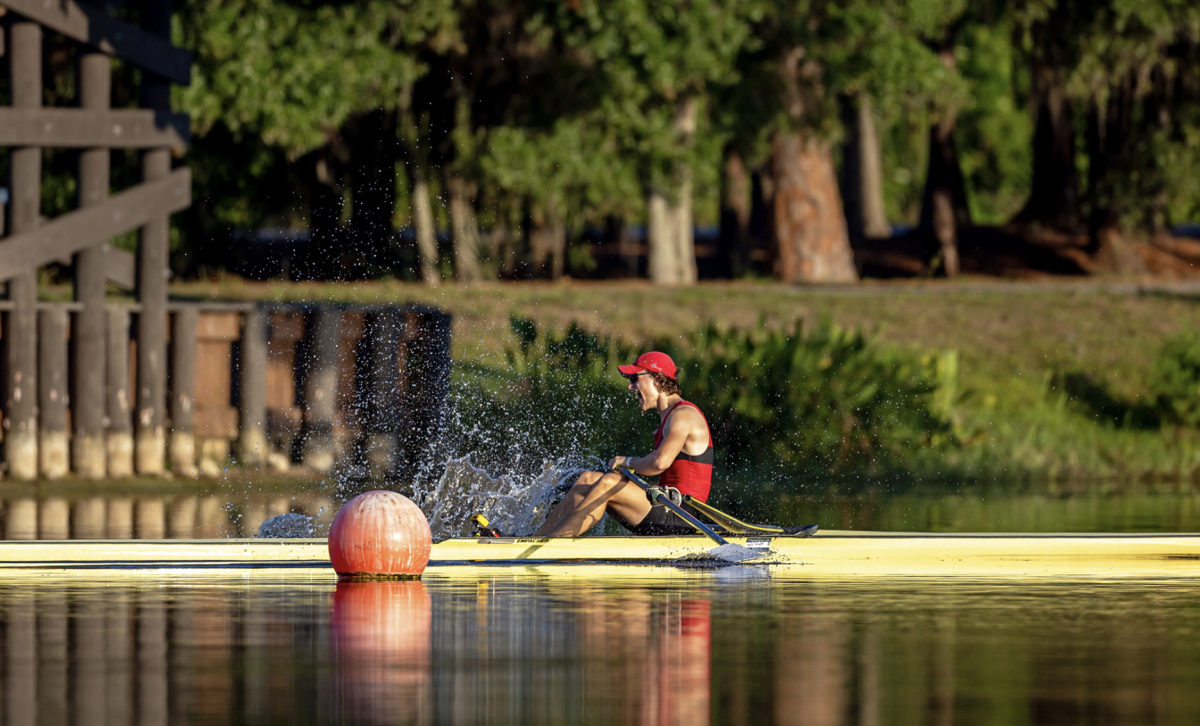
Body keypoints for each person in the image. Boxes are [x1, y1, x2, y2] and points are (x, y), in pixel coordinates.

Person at [532, 351, 714, 537]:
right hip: (665, 506)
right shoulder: (670, 417)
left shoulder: (683, 415)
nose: (630, 386)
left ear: (657, 381)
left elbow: (659, 463)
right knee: (588, 479)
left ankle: (555, 543)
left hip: (682, 517)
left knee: (609, 482)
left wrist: (627, 462)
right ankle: (535, 539)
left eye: (635, 378)